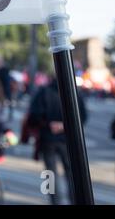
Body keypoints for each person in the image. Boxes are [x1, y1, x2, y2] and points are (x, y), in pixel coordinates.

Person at [27, 76, 88, 205]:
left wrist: (48, 124)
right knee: (71, 173)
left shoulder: (43, 92)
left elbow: (33, 116)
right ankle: (75, 199)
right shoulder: (74, 92)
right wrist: (64, 125)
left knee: (49, 173)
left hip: (47, 138)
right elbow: (83, 116)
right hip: (68, 139)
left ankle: (54, 201)